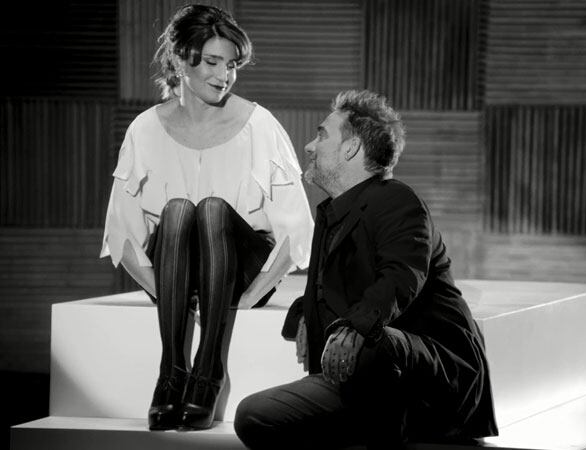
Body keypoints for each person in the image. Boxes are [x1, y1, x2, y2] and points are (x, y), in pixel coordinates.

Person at [234, 90, 498, 449]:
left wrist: (354, 328)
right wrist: (305, 314)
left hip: (430, 380)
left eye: (322, 135)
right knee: (253, 415)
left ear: (352, 148)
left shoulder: (398, 200)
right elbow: (340, 287)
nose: (309, 146)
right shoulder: (330, 214)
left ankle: (387, 428)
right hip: (361, 379)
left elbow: (401, 277)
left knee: (372, 343)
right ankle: (363, 428)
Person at [100, 4, 313, 432]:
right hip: (178, 273)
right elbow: (123, 237)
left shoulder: (260, 125)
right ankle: (171, 372)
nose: (224, 76)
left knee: (211, 209)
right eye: (212, 62)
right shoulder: (144, 129)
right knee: (178, 211)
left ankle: (209, 369)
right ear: (181, 59)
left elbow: (295, 234)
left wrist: (248, 298)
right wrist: (170, 295)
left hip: (241, 271)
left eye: (231, 65)